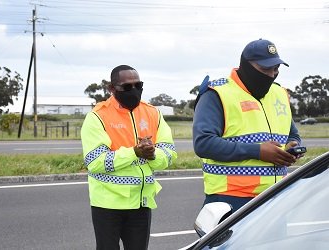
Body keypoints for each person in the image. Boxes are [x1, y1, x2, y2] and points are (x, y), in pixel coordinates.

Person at [193, 39, 302, 212]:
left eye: (276, 69)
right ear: (246, 66)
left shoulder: (279, 94)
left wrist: (292, 147)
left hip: (275, 197)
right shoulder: (217, 94)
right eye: (265, 69)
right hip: (230, 199)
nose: (272, 75)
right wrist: (258, 151)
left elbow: (293, 135)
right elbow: (203, 143)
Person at [81, 65, 177, 250]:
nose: (134, 91)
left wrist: (153, 154)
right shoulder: (97, 117)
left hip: (141, 202)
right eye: (127, 87)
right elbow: (95, 162)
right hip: (107, 204)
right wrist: (134, 152)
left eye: (138, 85)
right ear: (112, 88)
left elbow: (169, 153)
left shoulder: (153, 113)